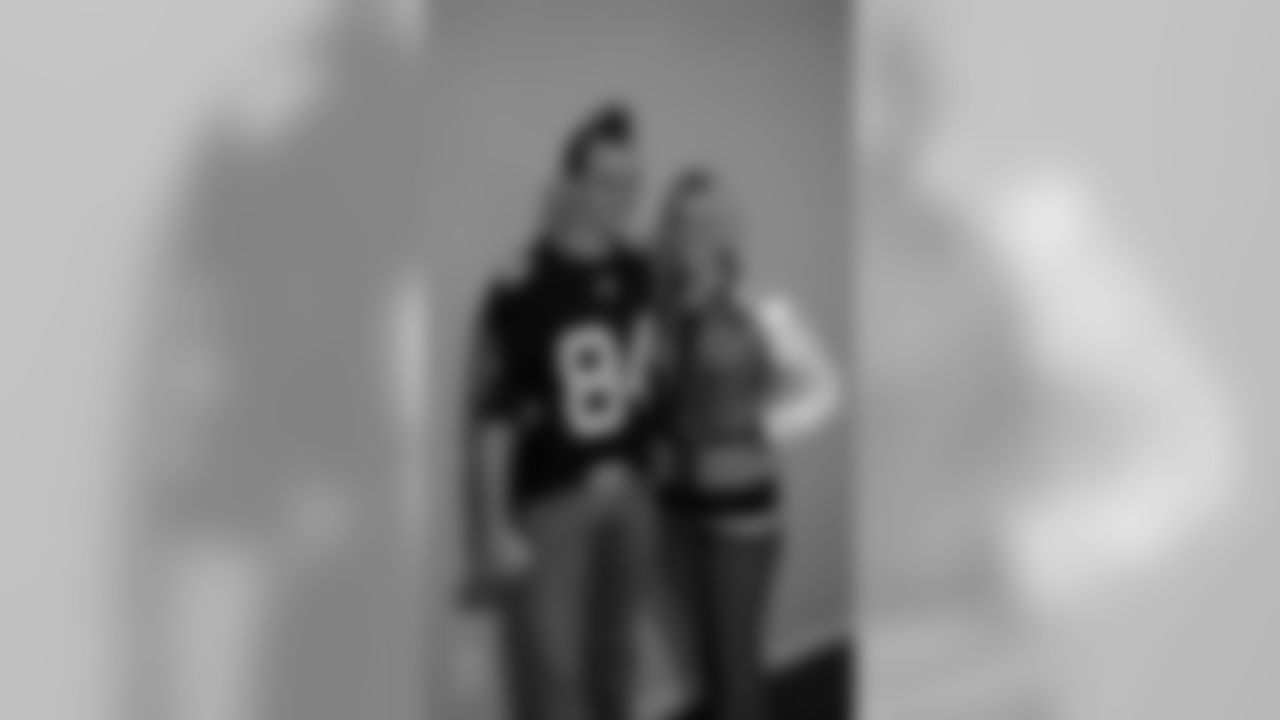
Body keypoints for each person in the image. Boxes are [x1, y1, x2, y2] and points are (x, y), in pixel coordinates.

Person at [460, 102, 663, 720]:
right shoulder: (518, 285)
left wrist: (653, 456)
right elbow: (493, 414)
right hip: (555, 503)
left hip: (633, 494)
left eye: (632, 181)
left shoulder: (638, 270)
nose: (622, 196)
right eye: (607, 180)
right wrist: (494, 527)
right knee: (557, 672)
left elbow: (647, 373)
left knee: (619, 653)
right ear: (571, 183)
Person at [650, 167, 841, 720]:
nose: (696, 232)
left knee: (736, 670)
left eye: (709, 219)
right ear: (670, 230)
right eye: (684, 220)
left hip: (742, 515)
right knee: (709, 657)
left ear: (729, 227)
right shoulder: (661, 315)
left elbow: (826, 388)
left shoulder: (762, 305)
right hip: (678, 510)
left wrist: (762, 426)